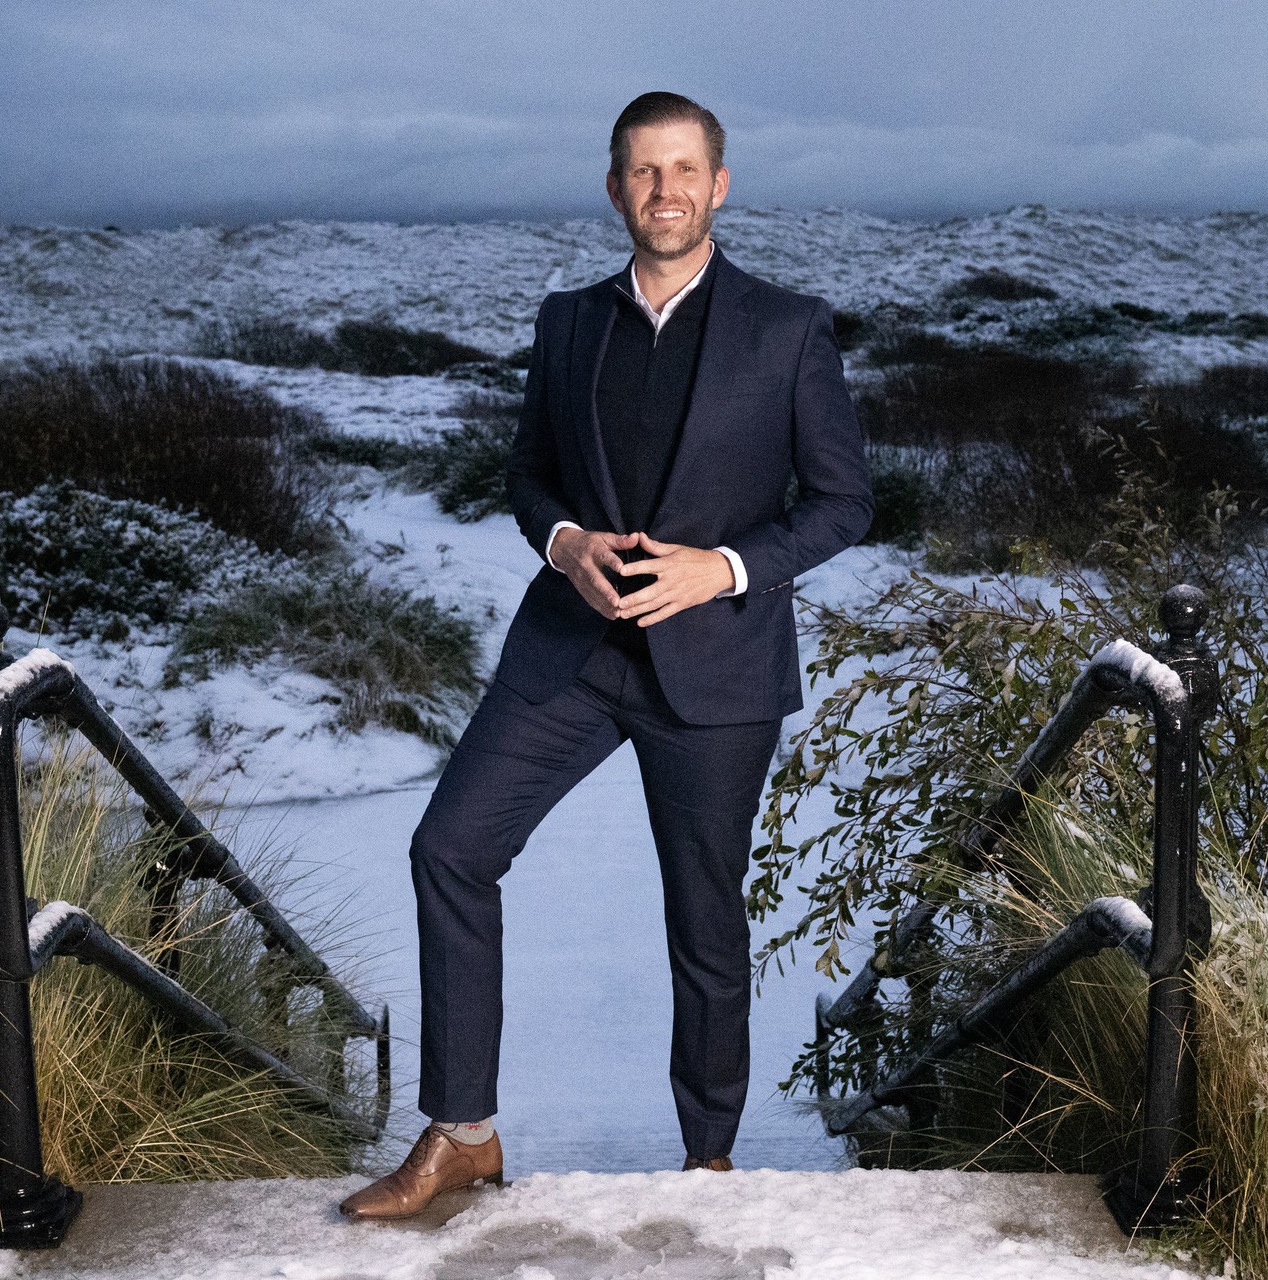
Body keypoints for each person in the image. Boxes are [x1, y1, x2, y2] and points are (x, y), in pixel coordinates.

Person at [339, 91, 872, 1220]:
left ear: (720, 184)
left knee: (704, 915)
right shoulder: (568, 321)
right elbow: (526, 472)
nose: (663, 191)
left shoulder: (787, 327)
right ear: (614, 186)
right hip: (571, 652)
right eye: (641, 171)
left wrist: (718, 567)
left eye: (684, 170)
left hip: (716, 667)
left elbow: (842, 503)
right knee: (451, 846)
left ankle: (711, 1163)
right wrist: (565, 539)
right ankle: (462, 1131)